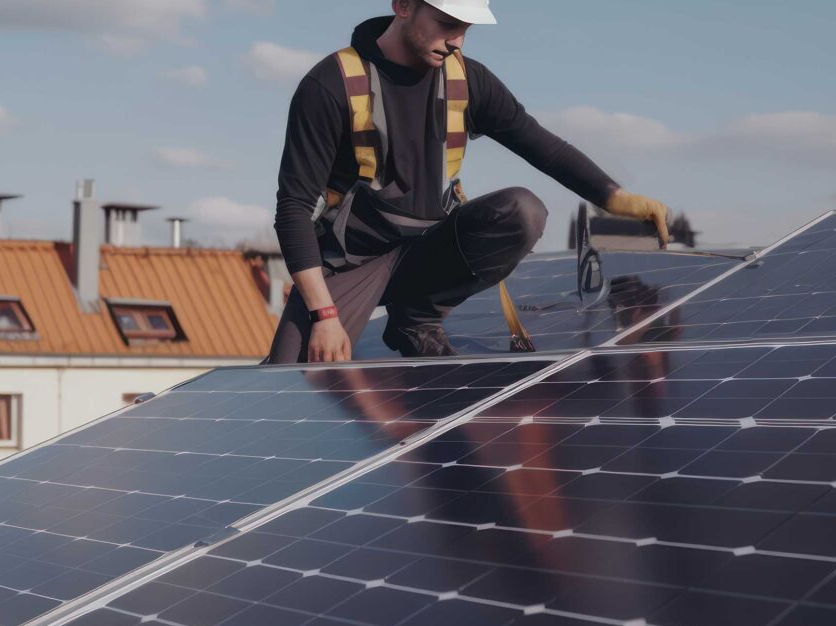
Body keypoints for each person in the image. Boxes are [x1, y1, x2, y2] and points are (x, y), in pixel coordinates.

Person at [267, 0, 669, 364]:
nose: (457, 41)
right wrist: (324, 314)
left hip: (428, 250)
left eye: (466, 29)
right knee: (293, 382)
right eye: (446, 24)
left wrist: (614, 197)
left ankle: (415, 319)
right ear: (403, 5)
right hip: (352, 262)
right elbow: (293, 210)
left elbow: (542, 145)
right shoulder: (331, 84)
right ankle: (325, 341)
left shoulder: (467, 80)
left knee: (522, 211)